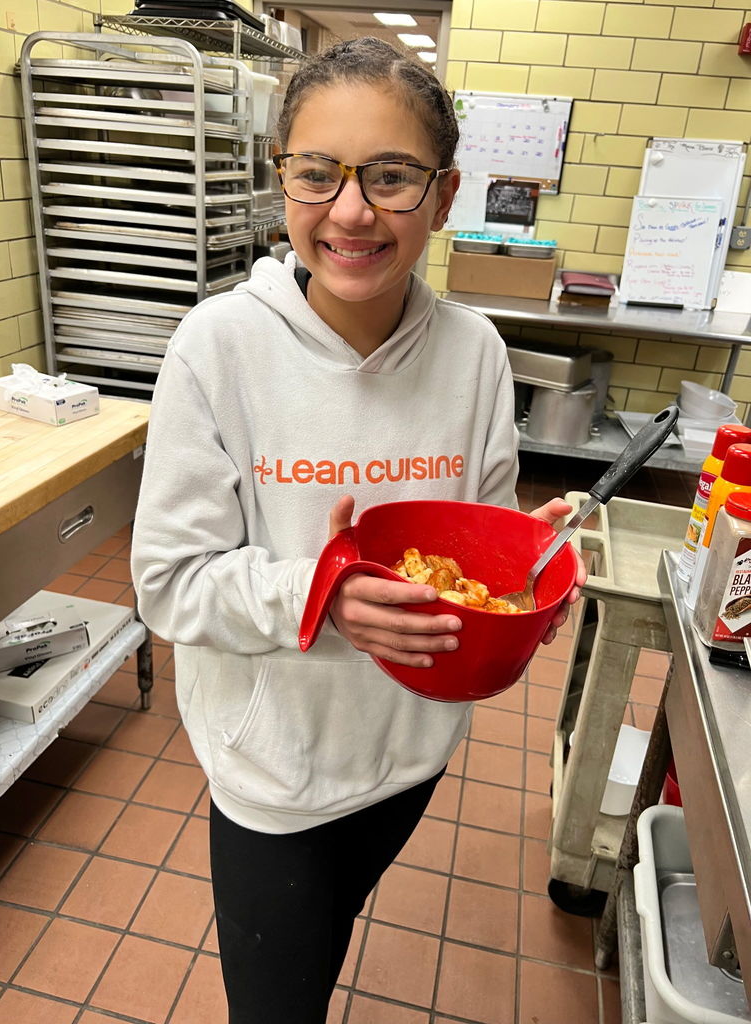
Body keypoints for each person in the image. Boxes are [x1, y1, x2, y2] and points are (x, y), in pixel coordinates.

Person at [131, 36, 584, 1024]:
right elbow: (169, 582)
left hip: (411, 748)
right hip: (276, 769)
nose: (350, 211)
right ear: (280, 176)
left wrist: (526, 572)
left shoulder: (475, 354)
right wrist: (319, 590)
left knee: (327, 944)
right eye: (317, 173)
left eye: (390, 176)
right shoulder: (219, 346)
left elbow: (485, 532)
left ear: (446, 190)